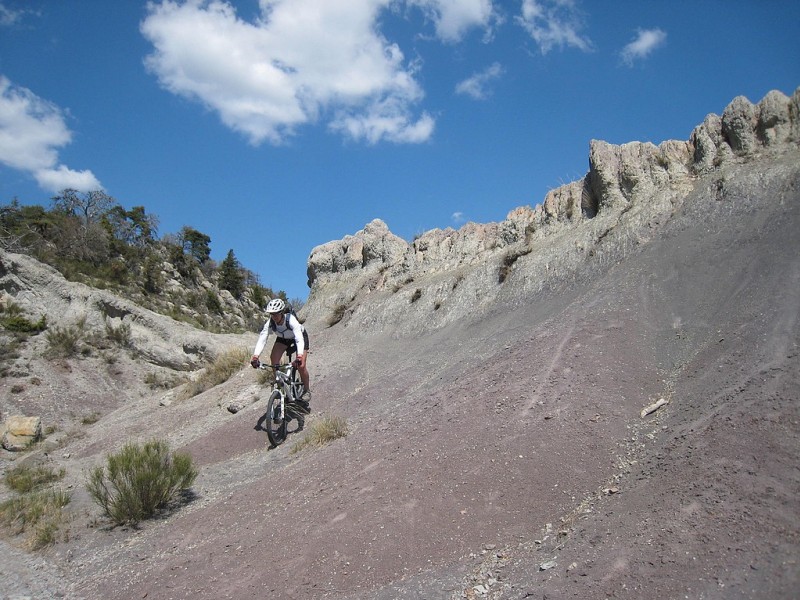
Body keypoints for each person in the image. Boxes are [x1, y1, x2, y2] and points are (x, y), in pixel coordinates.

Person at [250, 298, 311, 410]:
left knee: (301, 366)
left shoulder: (291, 320)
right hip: (283, 339)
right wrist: (255, 356)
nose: (273, 316)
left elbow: (299, 339)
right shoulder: (270, 323)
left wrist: (299, 356)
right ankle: (279, 383)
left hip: (300, 337)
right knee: (274, 359)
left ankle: (307, 390)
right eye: (271, 314)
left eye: (276, 314)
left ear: (282, 312)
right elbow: (263, 338)